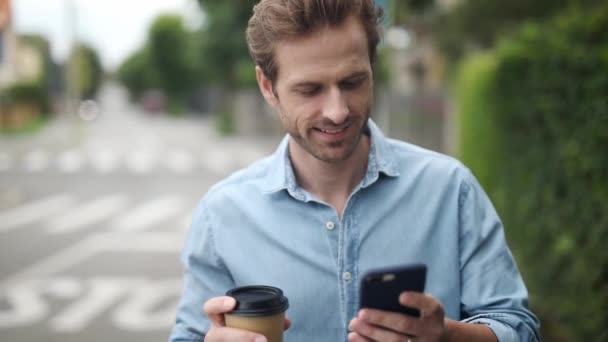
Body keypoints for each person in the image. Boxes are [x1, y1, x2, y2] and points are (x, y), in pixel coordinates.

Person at [169, 0, 540, 341]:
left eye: (352, 82)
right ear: (268, 87)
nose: (338, 111)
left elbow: (518, 327)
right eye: (310, 89)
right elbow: (188, 334)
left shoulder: (450, 189)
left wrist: (447, 336)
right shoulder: (222, 214)